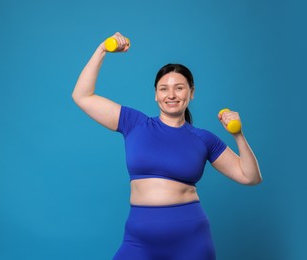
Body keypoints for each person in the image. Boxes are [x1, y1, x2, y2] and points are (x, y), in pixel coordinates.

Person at [72, 32, 262, 260]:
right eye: (164, 89)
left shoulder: (203, 139)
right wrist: (102, 49)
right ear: (155, 95)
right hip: (139, 241)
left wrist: (238, 135)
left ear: (191, 92)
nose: (171, 95)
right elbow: (82, 96)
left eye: (179, 88)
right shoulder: (134, 123)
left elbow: (249, 177)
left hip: (190, 239)